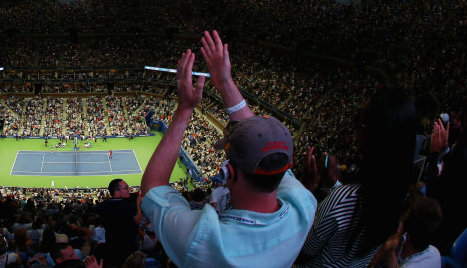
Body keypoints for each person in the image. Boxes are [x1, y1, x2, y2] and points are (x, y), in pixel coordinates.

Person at [140, 30, 316, 267]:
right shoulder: (303, 205)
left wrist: (184, 110)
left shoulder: (203, 241)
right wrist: (224, 82)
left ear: (229, 173)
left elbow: (152, 187)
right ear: (287, 166)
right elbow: (261, 143)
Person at [298, 87, 417, 267]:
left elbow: (302, 252)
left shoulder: (342, 200)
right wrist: (334, 185)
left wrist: (305, 189)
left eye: (359, 122)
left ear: (370, 136)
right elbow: (362, 206)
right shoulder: (397, 196)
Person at [94, 180, 141, 268]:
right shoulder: (129, 206)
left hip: (112, 243)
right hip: (129, 245)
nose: (129, 189)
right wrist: (138, 203)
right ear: (116, 192)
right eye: (126, 188)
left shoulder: (102, 206)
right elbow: (138, 220)